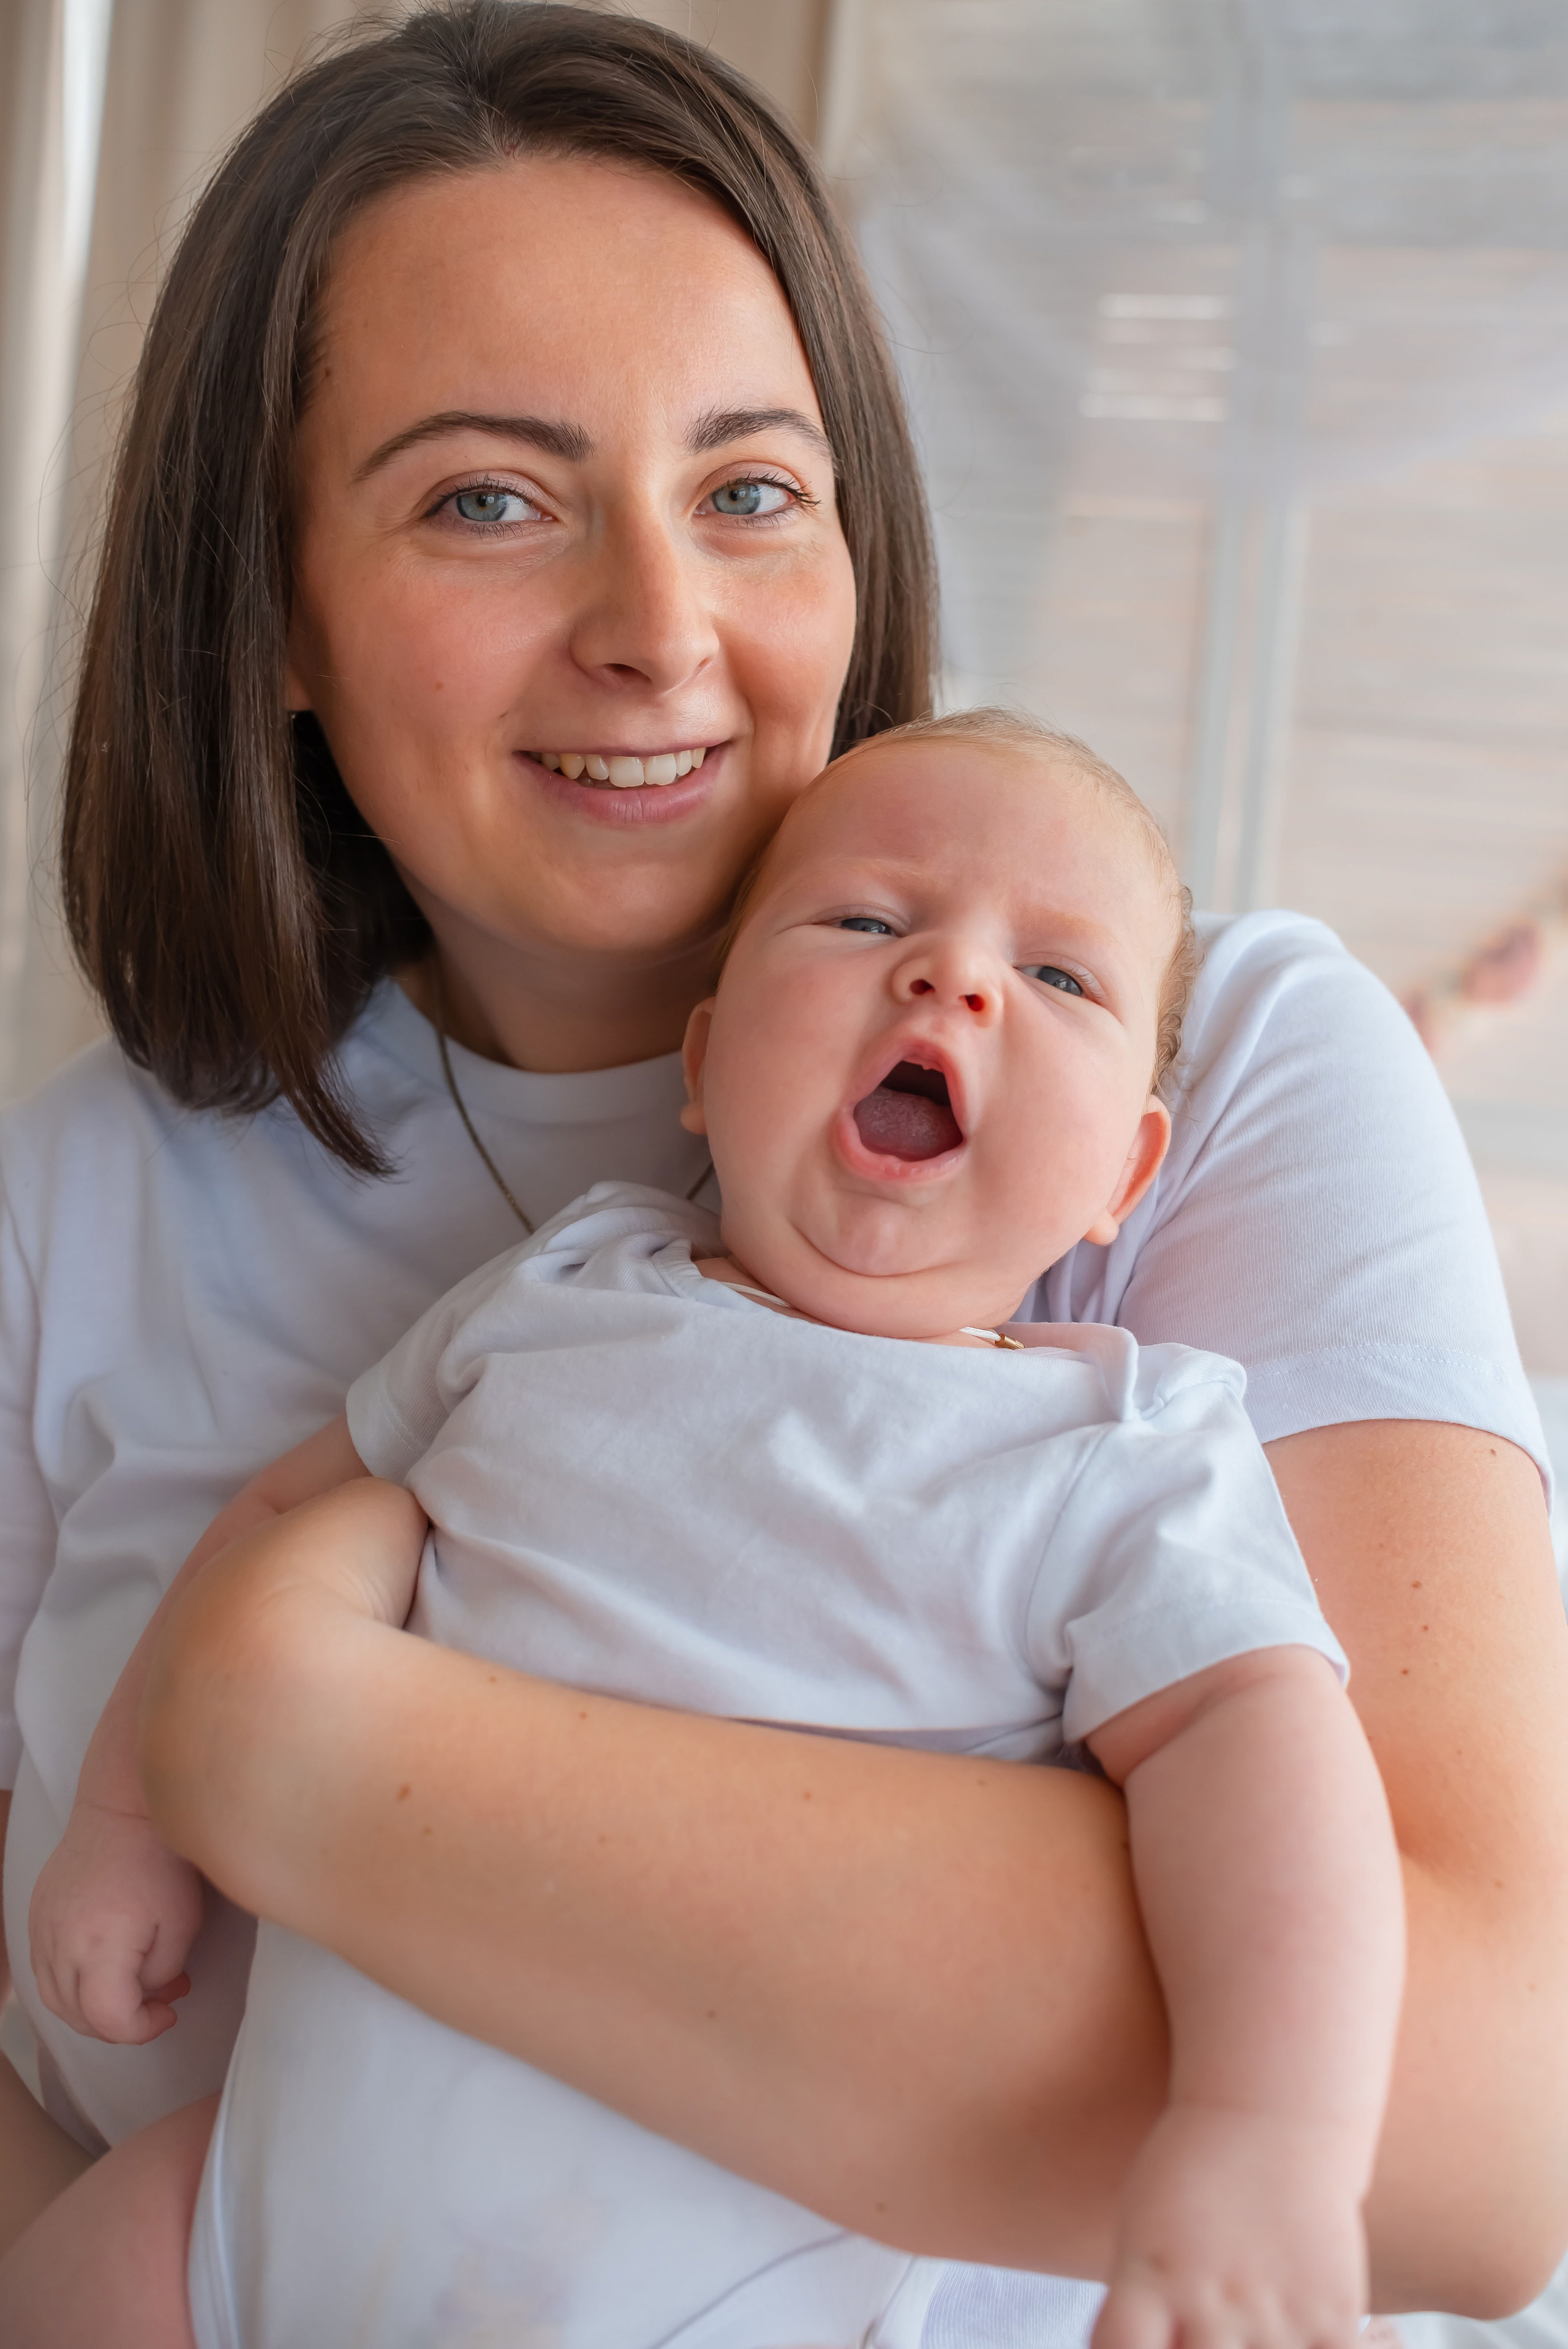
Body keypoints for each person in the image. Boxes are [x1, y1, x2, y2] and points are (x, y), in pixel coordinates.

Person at [0, 6, 1564, 2345]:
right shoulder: (78, 1208)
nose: (660, 627)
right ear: (279, 618)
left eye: (748, 489)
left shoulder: (1206, 1067)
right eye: (486, 499)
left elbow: (1473, 2143)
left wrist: (304, 1753)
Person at [29, 715, 1403, 2349]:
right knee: (82, 2262)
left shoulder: (1113, 1452)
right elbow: (287, 1518)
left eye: (1059, 978)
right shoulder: (560, 1289)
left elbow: (1270, 1757)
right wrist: (125, 1818)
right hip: (250, 2229)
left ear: (1128, 1168)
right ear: (699, 1060)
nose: (950, 981)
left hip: (699, 2298)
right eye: (866, 921)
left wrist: (1269, 2140)